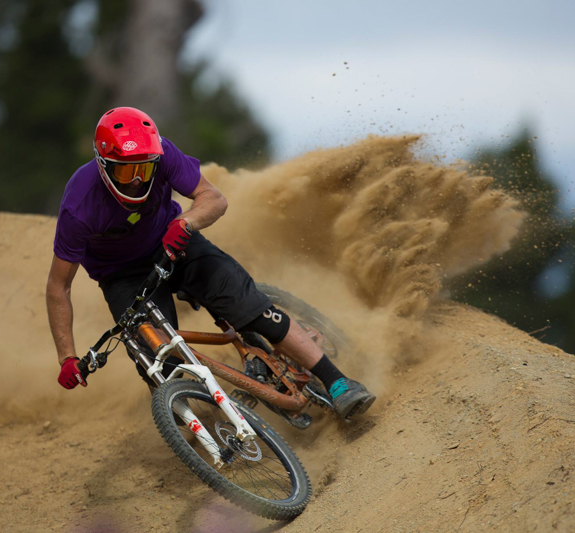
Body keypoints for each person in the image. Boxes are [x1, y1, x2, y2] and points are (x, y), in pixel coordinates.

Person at [46, 107, 375, 419]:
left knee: (252, 309)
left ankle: (338, 382)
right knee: (157, 361)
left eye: (144, 169)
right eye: (126, 171)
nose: (137, 180)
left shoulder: (163, 153)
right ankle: (193, 431)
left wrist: (186, 222)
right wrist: (67, 357)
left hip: (175, 242)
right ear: (104, 165)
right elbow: (59, 286)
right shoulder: (79, 206)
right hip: (122, 275)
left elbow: (213, 198)